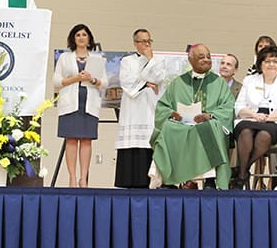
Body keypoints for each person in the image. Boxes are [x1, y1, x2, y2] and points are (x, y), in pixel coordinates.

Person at [150, 44, 235, 189]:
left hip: (208, 123)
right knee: (169, 128)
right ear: (191, 60)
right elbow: (163, 106)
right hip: (182, 123)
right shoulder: (178, 82)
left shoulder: (219, 82)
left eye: (208, 57)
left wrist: (210, 115)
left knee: (209, 127)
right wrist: (172, 113)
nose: (206, 60)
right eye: (201, 57)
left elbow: (228, 107)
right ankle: (168, 179)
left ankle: (210, 180)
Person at [233, 46, 277, 189]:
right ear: (260, 64)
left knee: (264, 134)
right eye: (267, 61)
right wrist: (254, 115)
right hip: (251, 118)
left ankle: (242, 172)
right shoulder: (249, 80)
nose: (271, 64)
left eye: (275, 61)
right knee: (245, 131)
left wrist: (268, 117)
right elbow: (239, 107)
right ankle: (243, 173)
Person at [54, 24, 108, 187]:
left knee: (86, 140)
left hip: (89, 104)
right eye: (78, 35)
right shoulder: (65, 58)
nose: (81, 37)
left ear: (89, 38)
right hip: (70, 104)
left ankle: (83, 178)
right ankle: (72, 177)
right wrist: (75, 78)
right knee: (71, 140)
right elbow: (56, 81)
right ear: (73, 39)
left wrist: (91, 79)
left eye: (84, 34)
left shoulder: (97, 59)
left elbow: (104, 83)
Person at [114, 29, 166, 188]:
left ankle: (150, 180)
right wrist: (147, 83)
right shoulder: (127, 61)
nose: (147, 44)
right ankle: (128, 181)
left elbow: (159, 78)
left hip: (150, 107)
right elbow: (127, 81)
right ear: (135, 43)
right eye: (143, 41)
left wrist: (150, 60)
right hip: (133, 108)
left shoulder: (158, 60)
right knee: (132, 144)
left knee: (149, 142)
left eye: (149, 40)